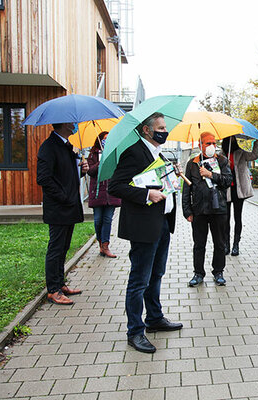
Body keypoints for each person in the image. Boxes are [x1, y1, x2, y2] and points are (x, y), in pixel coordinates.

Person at [108, 112, 183, 354]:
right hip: (143, 226)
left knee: (157, 273)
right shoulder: (134, 152)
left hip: (161, 223)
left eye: (165, 127)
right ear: (147, 130)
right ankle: (135, 332)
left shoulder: (158, 154)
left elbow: (159, 183)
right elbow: (116, 186)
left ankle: (154, 318)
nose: (165, 131)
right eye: (160, 127)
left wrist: (174, 173)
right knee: (139, 279)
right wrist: (145, 195)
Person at [37, 122, 88, 305]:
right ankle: (53, 290)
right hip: (59, 208)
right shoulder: (49, 147)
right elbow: (43, 178)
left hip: (69, 207)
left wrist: (81, 172)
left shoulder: (67, 146)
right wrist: (64, 197)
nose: (75, 125)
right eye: (72, 123)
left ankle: (60, 284)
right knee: (56, 249)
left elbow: (66, 175)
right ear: (64, 124)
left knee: (64, 247)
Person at [182, 132, 233, 287]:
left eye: (213, 143)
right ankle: (198, 273)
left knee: (219, 243)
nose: (211, 146)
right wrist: (187, 211)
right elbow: (186, 189)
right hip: (199, 211)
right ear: (200, 145)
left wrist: (210, 174)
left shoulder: (222, 161)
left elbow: (228, 181)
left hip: (219, 209)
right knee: (199, 244)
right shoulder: (193, 163)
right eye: (207, 143)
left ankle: (218, 272)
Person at [221, 136, 258, 256]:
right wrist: (225, 164)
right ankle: (226, 245)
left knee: (237, 218)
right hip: (226, 189)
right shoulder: (221, 155)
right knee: (225, 219)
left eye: (234, 139)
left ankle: (236, 245)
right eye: (230, 139)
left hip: (238, 190)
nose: (232, 141)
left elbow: (254, 156)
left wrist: (257, 142)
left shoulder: (241, 153)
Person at [87, 131, 121, 258]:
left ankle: (106, 246)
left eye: (108, 139)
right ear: (99, 140)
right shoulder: (93, 154)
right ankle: (100, 243)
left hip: (111, 193)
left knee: (107, 219)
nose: (106, 141)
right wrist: (100, 162)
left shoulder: (115, 153)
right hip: (97, 192)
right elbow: (90, 171)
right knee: (98, 220)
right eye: (104, 139)